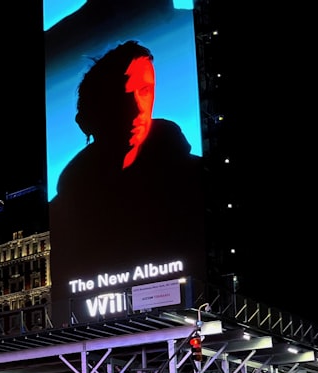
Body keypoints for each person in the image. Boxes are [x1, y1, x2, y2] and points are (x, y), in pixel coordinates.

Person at [50, 41, 204, 276]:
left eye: (144, 91)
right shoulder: (62, 213)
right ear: (90, 116)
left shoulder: (198, 178)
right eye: (120, 96)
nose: (136, 108)